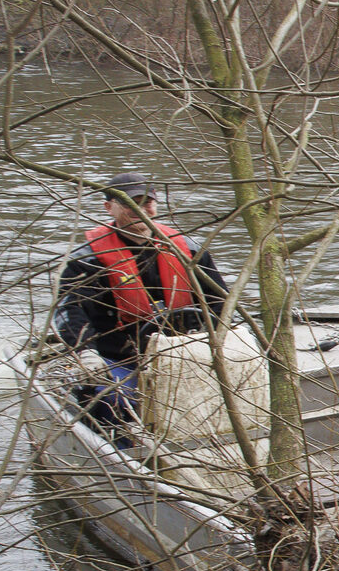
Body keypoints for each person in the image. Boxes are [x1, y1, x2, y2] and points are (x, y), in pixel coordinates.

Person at [54, 171, 227, 422]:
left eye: (146, 201)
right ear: (108, 208)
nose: (139, 208)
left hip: (186, 351)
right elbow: (70, 311)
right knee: (110, 401)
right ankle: (124, 451)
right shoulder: (86, 260)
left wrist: (225, 338)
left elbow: (219, 301)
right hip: (120, 357)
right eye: (129, 203)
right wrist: (86, 353)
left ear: (155, 205)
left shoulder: (188, 249)